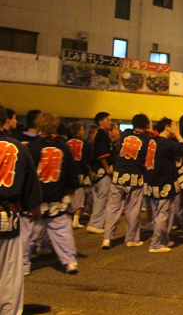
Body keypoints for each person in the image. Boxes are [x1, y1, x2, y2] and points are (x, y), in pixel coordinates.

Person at [22, 112, 80, 275]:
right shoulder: (62, 146)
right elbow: (71, 171)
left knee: (28, 232)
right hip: (56, 195)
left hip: (35, 197)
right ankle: (70, 262)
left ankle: (24, 265)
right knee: (61, 230)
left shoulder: (33, 147)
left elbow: (27, 172)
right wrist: (70, 188)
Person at [0, 104, 42, 314]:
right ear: (4, 121)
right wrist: (34, 208)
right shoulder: (17, 147)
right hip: (6, 214)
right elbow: (30, 185)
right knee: (8, 272)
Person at [101, 114, 150, 250]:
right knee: (133, 209)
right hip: (135, 176)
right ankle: (132, 239)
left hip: (119, 175)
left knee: (113, 208)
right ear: (146, 125)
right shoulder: (147, 140)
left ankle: (107, 239)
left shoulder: (126, 133)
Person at [143, 118, 183, 253]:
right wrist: (179, 135)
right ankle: (156, 243)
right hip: (163, 182)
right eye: (174, 125)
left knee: (159, 213)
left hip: (152, 182)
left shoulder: (153, 141)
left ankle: (163, 240)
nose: (176, 127)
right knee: (162, 214)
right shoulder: (166, 143)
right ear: (167, 127)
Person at [86, 111, 114, 233]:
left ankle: (96, 222)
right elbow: (102, 154)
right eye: (108, 120)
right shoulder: (102, 134)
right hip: (102, 171)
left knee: (99, 197)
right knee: (102, 197)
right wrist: (107, 167)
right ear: (100, 122)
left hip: (97, 170)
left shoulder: (99, 135)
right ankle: (96, 223)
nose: (110, 122)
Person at [65, 122, 91, 229]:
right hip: (81, 172)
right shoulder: (84, 143)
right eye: (82, 129)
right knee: (80, 196)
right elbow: (88, 159)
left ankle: (69, 219)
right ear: (79, 130)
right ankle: (76, 219)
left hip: (68, 173)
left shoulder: (65, 143)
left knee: (68, 196)